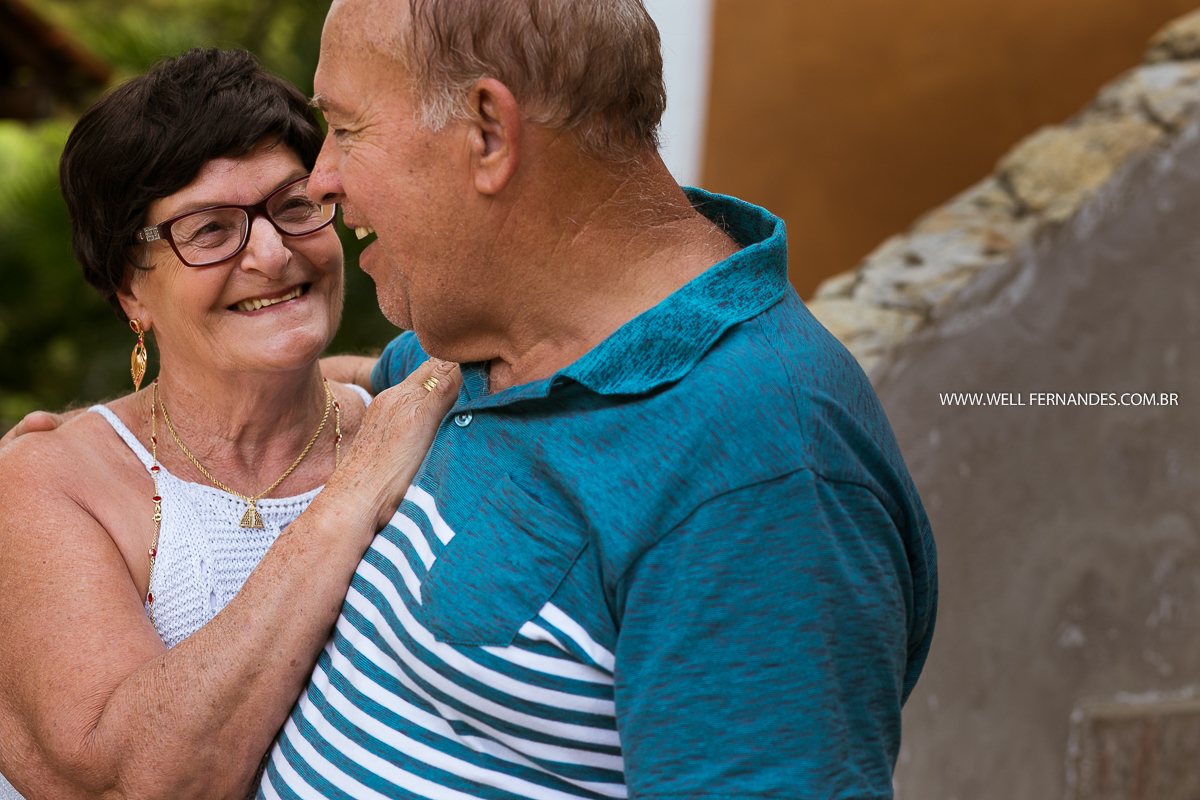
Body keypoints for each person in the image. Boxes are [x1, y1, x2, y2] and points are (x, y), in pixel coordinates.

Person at [256, 0, 938, 798]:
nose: (321, 179)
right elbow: (359, 384)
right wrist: (116, 438)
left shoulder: (762, 469)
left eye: (346, 127)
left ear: (487, 132)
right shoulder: (491, 335)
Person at [0, 48, 461, 800]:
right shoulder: (53, 482)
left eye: (295, 205)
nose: (273, 254)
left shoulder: (416, 426)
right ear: (129, 290)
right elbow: (138, 782)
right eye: (211, 231)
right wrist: (353, 496)